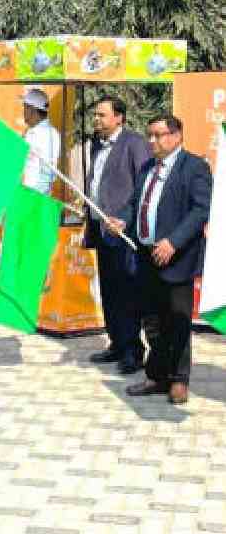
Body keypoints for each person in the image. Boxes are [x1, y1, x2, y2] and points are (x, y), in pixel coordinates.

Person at [106, 115, 212, 404]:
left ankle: (179, 380)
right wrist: (122, 221)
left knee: (176, 321)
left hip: (177, 259)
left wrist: (173, 241)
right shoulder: (147, 168)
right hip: (145, 256)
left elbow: (201, 210)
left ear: (176, 136)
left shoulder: (195, 167)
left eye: (159, 135)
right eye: (149, 135)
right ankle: (157, 375)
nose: (152, 141)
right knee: (151, 320)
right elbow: (135, 204)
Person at [84, 97, 153, 375]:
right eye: (95, 115)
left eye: (102, 115)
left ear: (119, 117)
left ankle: (133, 351)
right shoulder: (96, 145)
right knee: (109, 291)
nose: (97, 119)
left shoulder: (134, 144)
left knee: (127, 293)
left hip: (124, 232)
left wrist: (126, 219)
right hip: (101, 230)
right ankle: (116, 342)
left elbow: (144, 186)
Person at [21, 89, 61, 195]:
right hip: (26, 195)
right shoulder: (31, 132)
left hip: (35, 198)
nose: (23, 111)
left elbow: (48, 173)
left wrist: (34, 199)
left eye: (25, 107)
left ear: (32, 109)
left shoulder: (48, 134)